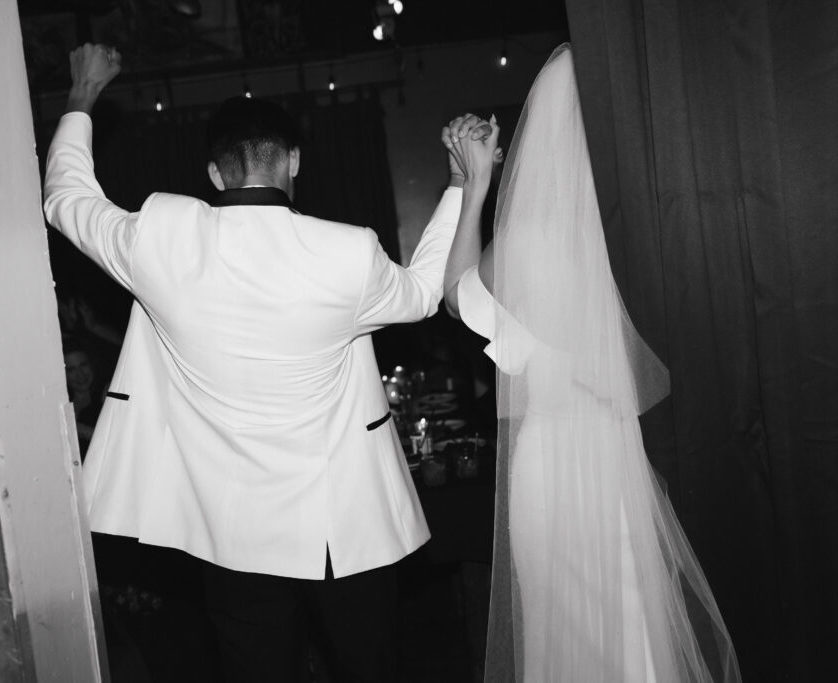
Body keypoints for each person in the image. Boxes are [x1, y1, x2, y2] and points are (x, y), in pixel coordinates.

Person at [43, 43, 464, 681]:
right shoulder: (347, 253)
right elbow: (429, 291)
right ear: (293, 160)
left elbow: (65, 197)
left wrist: (81, 98)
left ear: (214, 175)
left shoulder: (161, 236)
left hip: (230, 532)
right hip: (343, 529)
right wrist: (460, 186)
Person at [441, 45, 741, 682]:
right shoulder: (640, 234)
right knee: (628, 616)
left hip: (551, 461)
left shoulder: (529, 241)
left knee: (563, 627)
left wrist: (474, 191)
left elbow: (460, 300)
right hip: (611, 452)